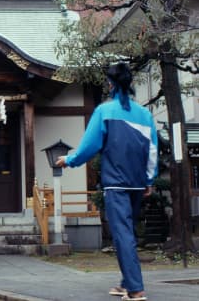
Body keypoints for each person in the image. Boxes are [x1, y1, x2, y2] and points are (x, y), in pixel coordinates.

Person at [56, 62, 157, 301]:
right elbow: (152, 150)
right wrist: (149, 180)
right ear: (130, 84)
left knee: (122, 234)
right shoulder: (145, 115)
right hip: (137, 183)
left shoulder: (104, 111)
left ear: (110, 84)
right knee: (127, 232)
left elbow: (90, 146)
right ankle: (126, 283)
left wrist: (69, 160)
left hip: (116, 184)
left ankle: (135, 289)